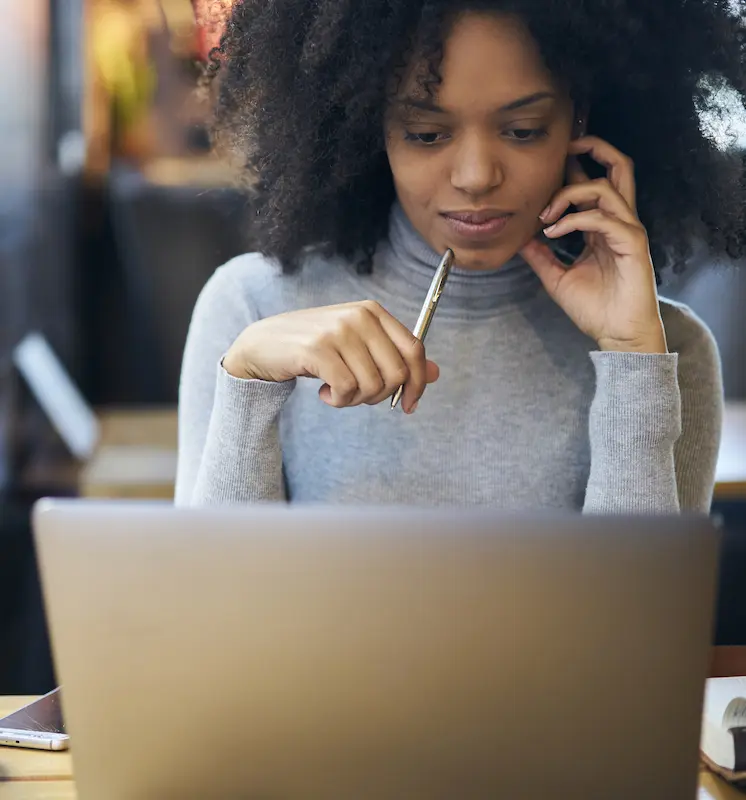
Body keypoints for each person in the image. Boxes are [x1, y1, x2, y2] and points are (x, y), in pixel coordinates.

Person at [176, 0, 746, 512]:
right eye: (426, 134)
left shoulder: (668, 353)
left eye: (523, 130)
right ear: (367, 123)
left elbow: (640, 623)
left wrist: (633, 363)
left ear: (581, 120)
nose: (476, 177)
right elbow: (207, 613)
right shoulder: (251, 311)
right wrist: (249, 380)